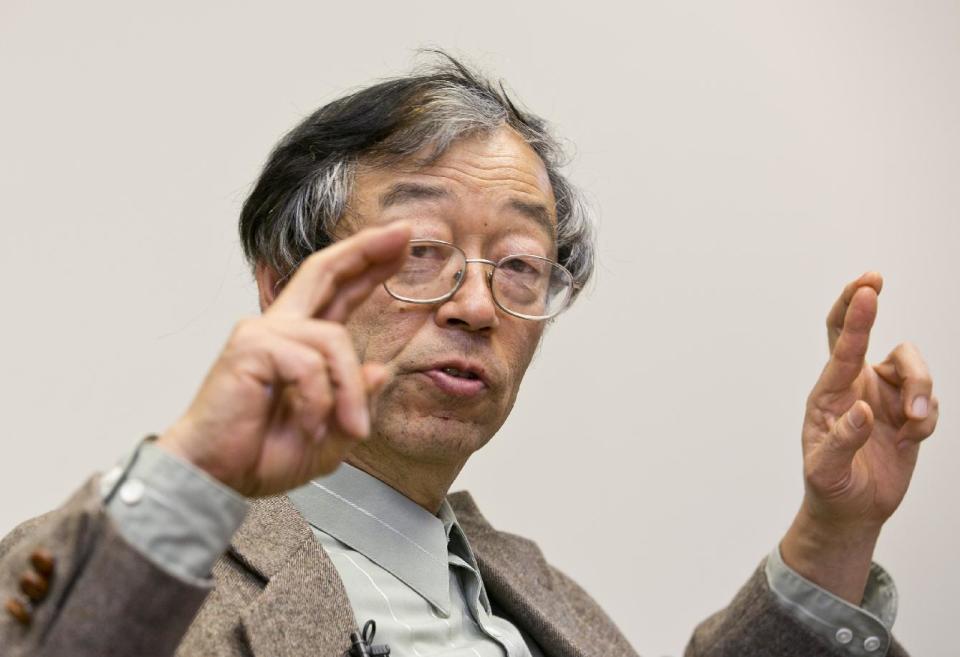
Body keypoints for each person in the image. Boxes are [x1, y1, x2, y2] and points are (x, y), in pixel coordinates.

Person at [0, 54, 938, 657]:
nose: (478, 304)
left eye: (521, 265)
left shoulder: (536, 592)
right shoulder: (157, 575)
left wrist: (830, 535)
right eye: (419, 252)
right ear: (284, 285)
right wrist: (194, 470)